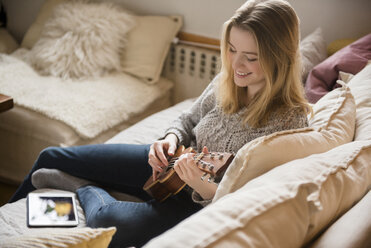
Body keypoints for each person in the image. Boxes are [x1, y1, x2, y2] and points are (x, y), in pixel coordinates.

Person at [10, 0, 311, 247]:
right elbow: (187, 119)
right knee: (51, 155)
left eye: (251, 57)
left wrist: (201, 185)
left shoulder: (291, 120)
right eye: (231, 50)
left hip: (193, 204)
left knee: (106, 223)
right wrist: (168, 139)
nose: (236, 65)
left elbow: (254, 198)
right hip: (169, 166)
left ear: (279, 58)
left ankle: (82, 187)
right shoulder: (227, 80)